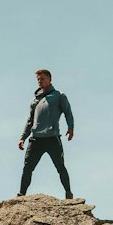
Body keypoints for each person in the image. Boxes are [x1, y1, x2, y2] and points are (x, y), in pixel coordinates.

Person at [18, 68, 74, 198]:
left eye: (42, 79)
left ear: (50, 79)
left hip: (52, 138)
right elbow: (30, 121)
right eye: (38, 79)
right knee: (27, 168)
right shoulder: (35, 100)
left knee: (60, 166)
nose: (40, 81)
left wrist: (71, 127)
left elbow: (68, 112)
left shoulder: (58, 96)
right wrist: (23, 138)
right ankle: (21, 194)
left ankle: (68, 193)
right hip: (36, 139)